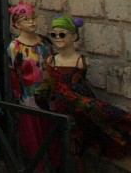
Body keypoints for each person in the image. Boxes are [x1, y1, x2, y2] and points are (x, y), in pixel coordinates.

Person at [39, 15, 131, 161]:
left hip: (79, 108)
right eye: (53, 34)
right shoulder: (51, 60)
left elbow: (80, 87)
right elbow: (48, 83)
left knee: (78, 148)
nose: (57, 38)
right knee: (61, 146)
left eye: (62, 34)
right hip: (60, 108)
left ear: (73, 36)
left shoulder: (80, 61)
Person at [6, 1, 52, 161]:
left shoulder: (45, 43)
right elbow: (14, 74)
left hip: (48, 97)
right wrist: (19, 97)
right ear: (17, 24)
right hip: (28, 99)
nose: (31, 22)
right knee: (33, 139)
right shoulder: (15, 48)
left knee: (51, 136)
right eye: (26, 19)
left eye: (33, 18)